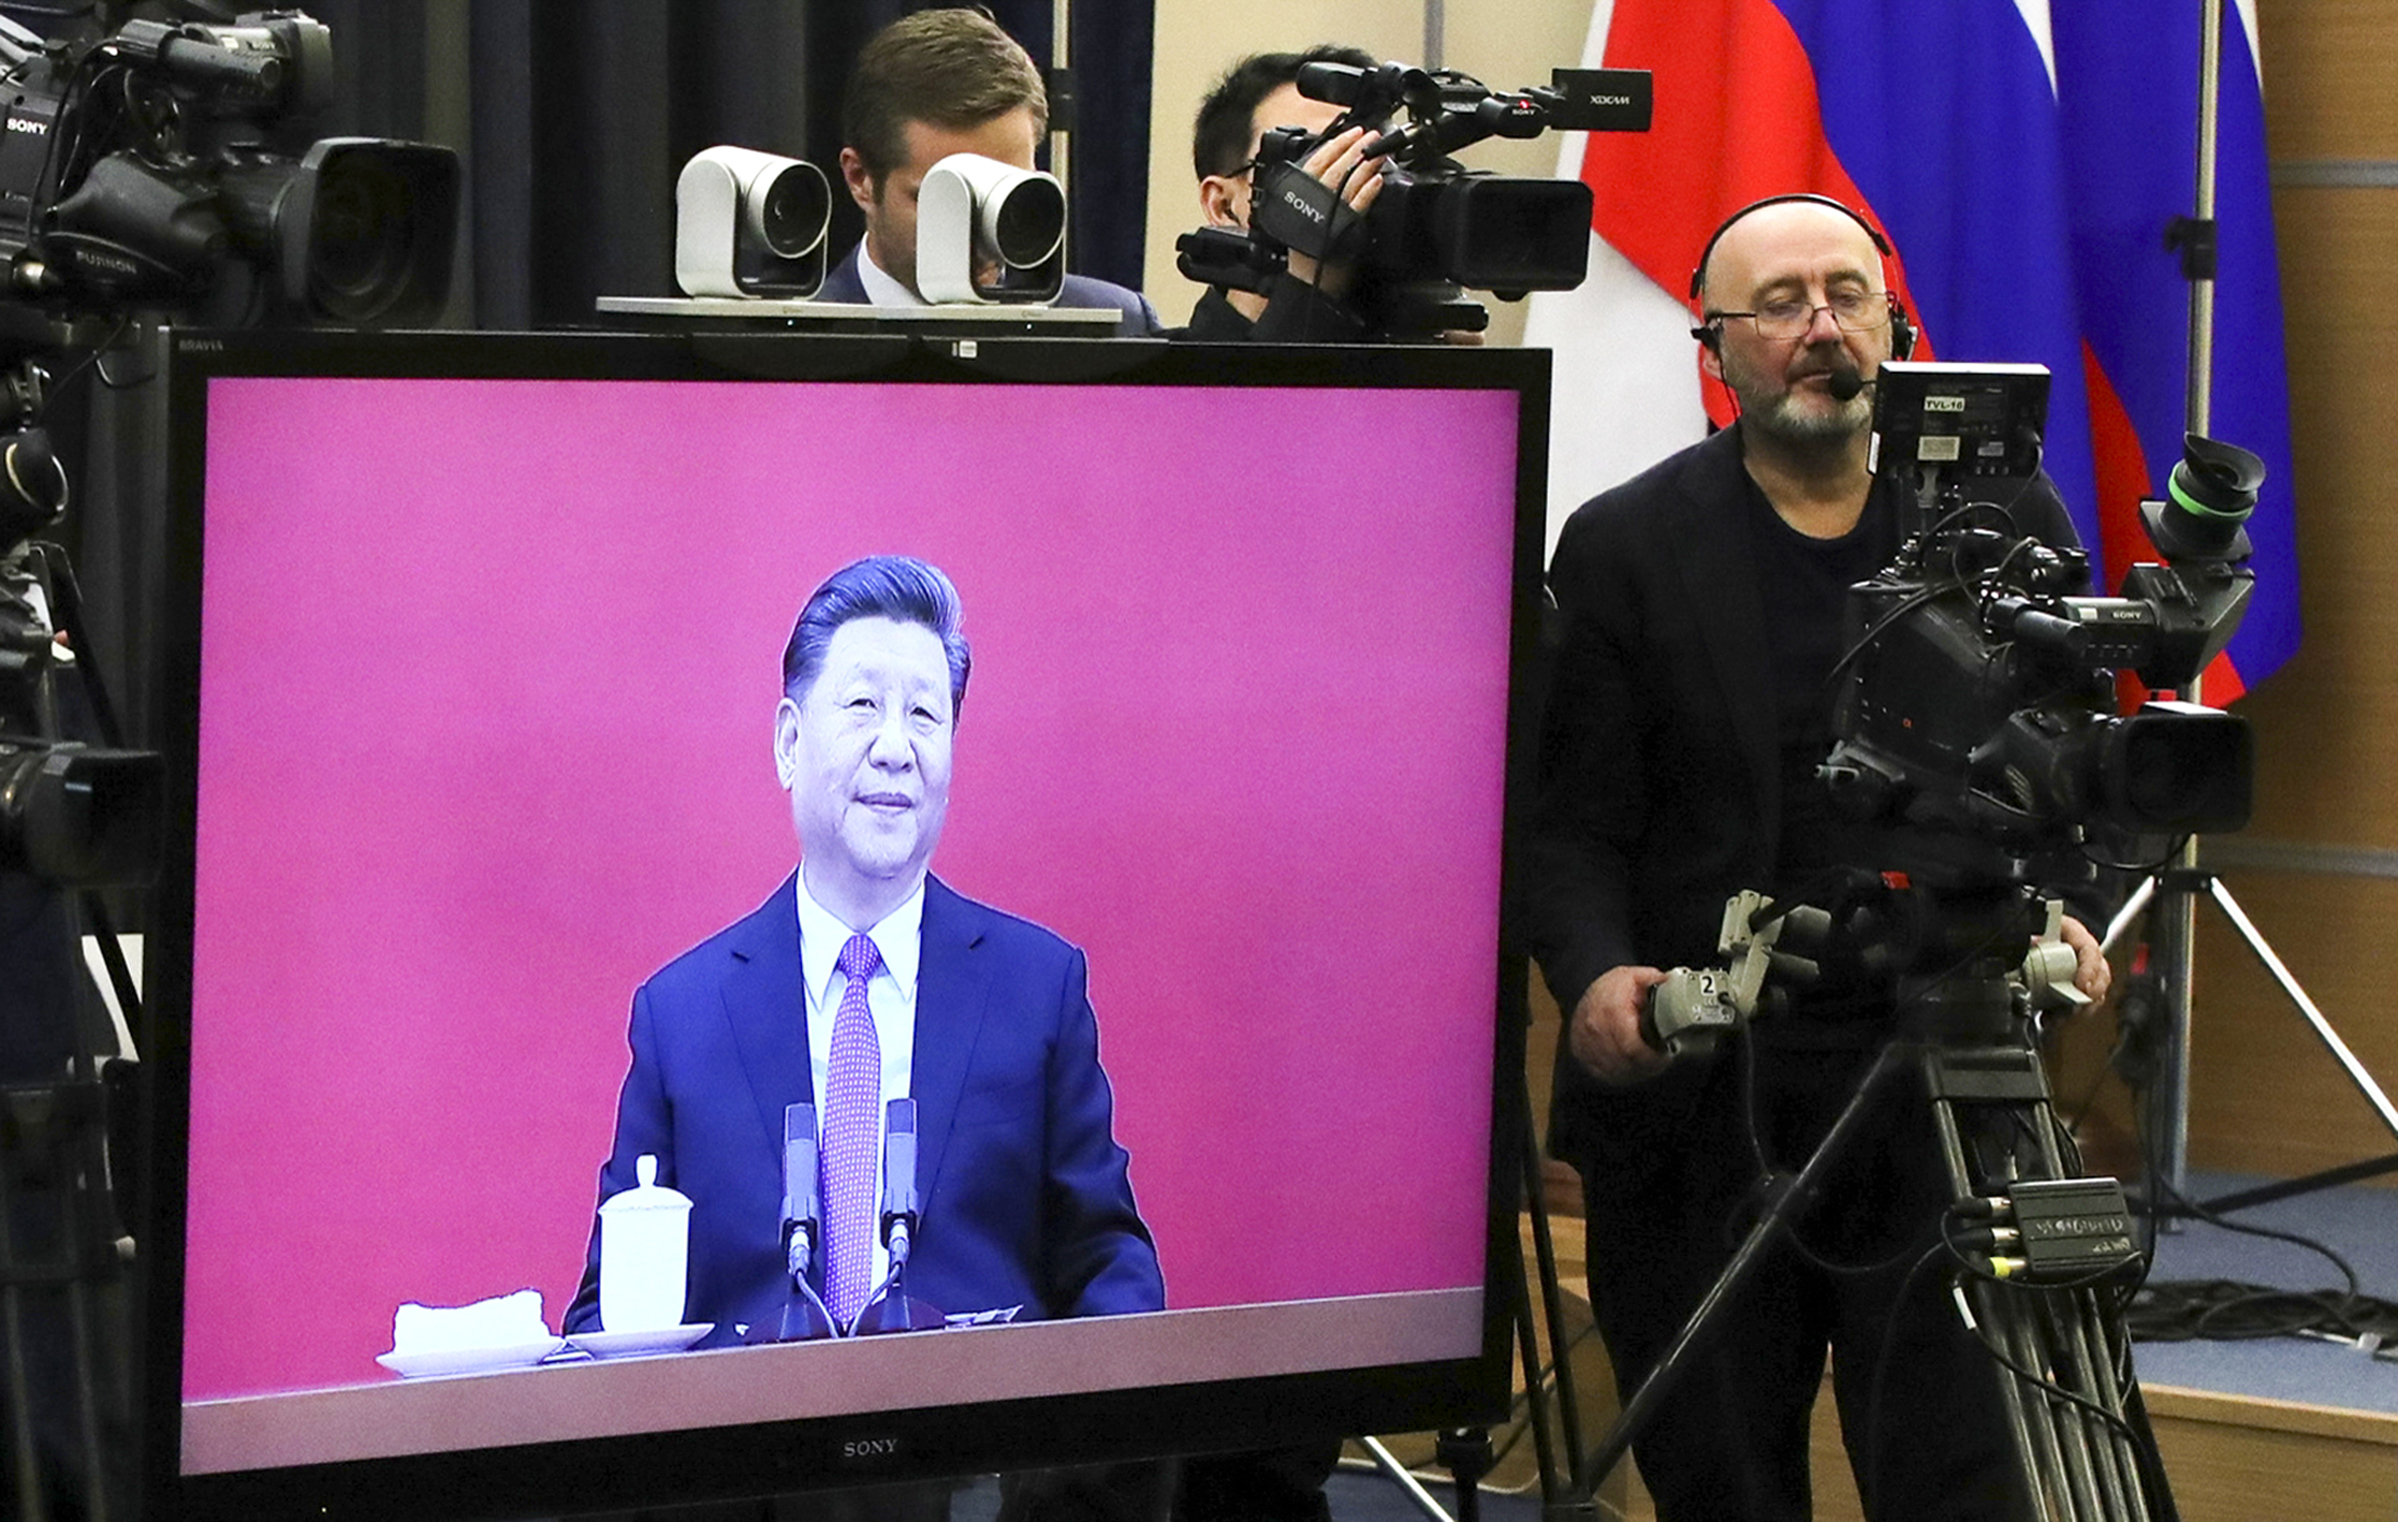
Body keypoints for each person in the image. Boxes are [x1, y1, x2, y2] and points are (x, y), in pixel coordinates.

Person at [1528, 194, 2112, 1521]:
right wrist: (1596, 972)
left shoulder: (1998, 519)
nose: (1818, 329)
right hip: (1701, 1083)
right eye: (1778, 303)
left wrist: (2070, 912)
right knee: (1724, 1477)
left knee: (1966, 1477)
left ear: (1893, 326)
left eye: (1845, 295)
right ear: (1712, 345)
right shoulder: (1623, 544)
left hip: (1945, 1075)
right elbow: (1570, 823)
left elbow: (2070, 768)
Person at [568, 555, 1163, 1346]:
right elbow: (608, 1314)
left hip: (981, 1453)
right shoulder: (682, 1018)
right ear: (788, 742)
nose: (895, 747)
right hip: (759, 1461)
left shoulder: (1036, 989)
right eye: (862, 706)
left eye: (924, 715)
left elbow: (1108, 1264)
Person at [818, 9, 1161, 336]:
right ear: (860, 178)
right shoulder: (783, 352)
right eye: (944, 200)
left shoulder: (1117, 327)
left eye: (1005, 193)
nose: (982, 237)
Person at [1182, 45, 1383, 342]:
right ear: (1222, 206)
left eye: (1373, 158)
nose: (1345, 182)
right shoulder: (1157, 378)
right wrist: (1309, 285)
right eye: (1310, 159)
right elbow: (1257, 387)